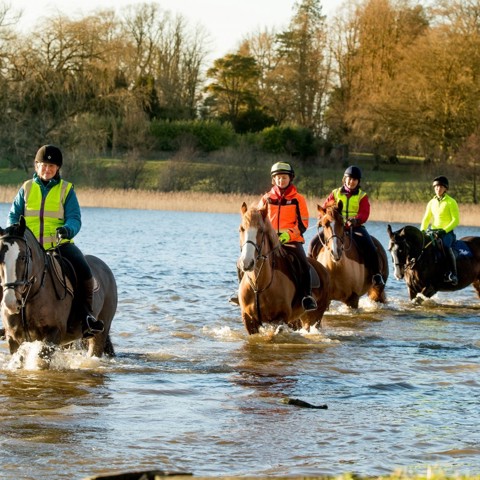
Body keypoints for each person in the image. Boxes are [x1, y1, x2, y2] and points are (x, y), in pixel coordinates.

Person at [7, 144, 104, 337]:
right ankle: (7, 322)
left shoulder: (66, 190)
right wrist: (15, 233)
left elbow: (75, 218)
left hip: (59, 246)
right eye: (43, 165)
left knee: (83, 269)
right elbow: (12, 216)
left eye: (52, 166)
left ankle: (86, 317)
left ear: (58, 168)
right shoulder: (26, 188)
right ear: (36, 166)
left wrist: (68, 230)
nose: (47, 169)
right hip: (29, 248)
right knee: (7, 272)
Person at [308, 165, 385, 287]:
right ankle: (311, 274)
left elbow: (365, 212)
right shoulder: (335, 193)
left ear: (358, 181)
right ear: (344, 179)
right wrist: (322, 218)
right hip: (335, 227)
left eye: (355, 179)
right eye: (349, 178)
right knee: (312, 243)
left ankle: (376, 274)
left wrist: (356, 220)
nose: (351, 181)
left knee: (370, 245)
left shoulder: (362, 195)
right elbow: (324, 208)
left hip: (355, 227)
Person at [258, 161, 317, 311]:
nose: (281, 180)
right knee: (246, 260)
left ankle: (306, 297)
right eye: (278, 178)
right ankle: (243, 293)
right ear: (273, 179)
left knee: (303, 263)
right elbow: (258, 220)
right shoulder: (265, 198)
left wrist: (286, 235)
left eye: (284, 177)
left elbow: (303, 224)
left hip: (291, 241)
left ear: (290, 178)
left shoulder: (298, 199)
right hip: (269, 241)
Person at [420, 175, 460, 285]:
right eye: (436, 187)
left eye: (441, 187)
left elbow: (456, 220)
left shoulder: (451, 202)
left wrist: (444, 231)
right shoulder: (431, 202)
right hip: (433, 232)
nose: (438, 189)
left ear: (445, 189)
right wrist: (422, 231)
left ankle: (453, 274)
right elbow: (426, 219)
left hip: (447, 233)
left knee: (446, 247)